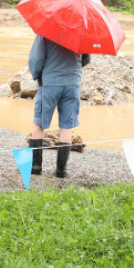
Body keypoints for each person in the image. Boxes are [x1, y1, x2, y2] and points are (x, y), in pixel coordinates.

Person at [27, 34, 91, 178]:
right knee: (66, 126)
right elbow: (86, 59)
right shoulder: (81, 33)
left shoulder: (45, 32)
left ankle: (36, 167)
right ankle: (61, 171)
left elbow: (36, 58)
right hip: (73, 84)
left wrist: (36, 75)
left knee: (39, 124)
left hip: (50, 82)